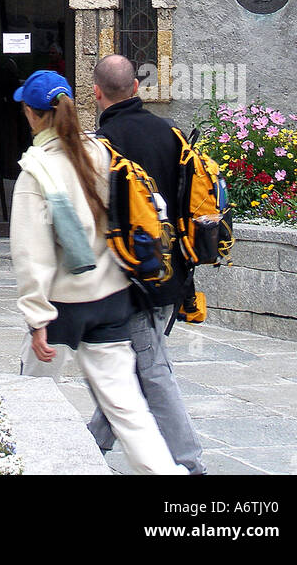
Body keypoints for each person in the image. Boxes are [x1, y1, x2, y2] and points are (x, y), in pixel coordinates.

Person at [10, 69, 187, 476]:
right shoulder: (102, 152)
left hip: (62, 306)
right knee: (127, 407)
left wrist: (37, 318)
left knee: (32, 396)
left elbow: (31, 254)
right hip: (111, 299)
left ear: (32, 114)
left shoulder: (35, 170)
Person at [89, 54, 206, 475]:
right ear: (137, 88)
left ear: (97, 93)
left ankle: (189, 463)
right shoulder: (171, 134)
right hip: (173, 273)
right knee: (133, 363)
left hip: (131, 279)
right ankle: (92, 444)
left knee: (152, 369)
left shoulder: (102, 146)